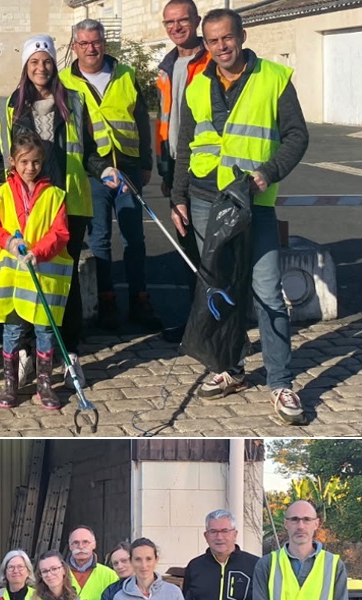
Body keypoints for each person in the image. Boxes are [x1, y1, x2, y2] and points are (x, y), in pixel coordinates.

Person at [171, 8, 309, 426]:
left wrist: (266, 173)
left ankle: (282, 380)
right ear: (205, 43)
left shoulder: (274, 78)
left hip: (254, 201)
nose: (221, 47)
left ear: (243, 35)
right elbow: (185, 145)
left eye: (227, 38)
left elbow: (297, 136)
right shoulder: (196, 85)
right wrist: (177, 196)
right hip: (203, 198)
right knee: (222, 292)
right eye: (212, 41)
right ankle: (230, 368)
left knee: (267, 291)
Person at [0, 34, 111, 390]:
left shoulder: (74, 101)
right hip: (23, 208)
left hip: (68, 204)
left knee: (65, 283)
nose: (41, 68)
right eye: (34, 62)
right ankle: (27, 354)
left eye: (46, 62)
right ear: (26, 68)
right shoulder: (8, 107)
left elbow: (89, 150)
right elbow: (3, 157)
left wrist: (104, 169)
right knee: (23, 283)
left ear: (54, 64)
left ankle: (68, 352)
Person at [60, 19, 160, 333]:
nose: (91, 48)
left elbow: (142, 119)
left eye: (96, 42)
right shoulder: (64, 81)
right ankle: (106, 301)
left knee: (135, 236)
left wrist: (146, 162)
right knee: (99, 237)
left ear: (105, 42)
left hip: (128, 166)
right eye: (84, 43)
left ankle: (139, 299)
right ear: (75, 46)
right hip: (92, 169)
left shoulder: (126, 73)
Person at [0, 130, 71, 410]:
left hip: (43, 278)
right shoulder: (4, 194)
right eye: (24, 162)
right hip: (12, 282)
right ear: (12, 162)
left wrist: (38, 251)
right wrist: (9, 242)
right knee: (12, 331)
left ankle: (44, 384)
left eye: (35, 162)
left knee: (45, 330)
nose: (30, 168)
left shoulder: (56, 195)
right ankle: (11, 384)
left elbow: (60, 233)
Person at [155, 0, 209, 343]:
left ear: (197, 21)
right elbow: (164, 120)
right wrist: (164, 166)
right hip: (177, 166)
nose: (176, 27)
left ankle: (220, 327)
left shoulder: (212, 61)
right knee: (189, 249)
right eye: (169, 22)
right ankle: (198, 324)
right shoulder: (167, 66)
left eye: (182, 21)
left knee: (213, 252)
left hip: (207, 167)